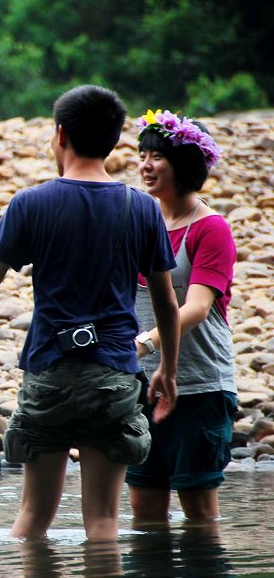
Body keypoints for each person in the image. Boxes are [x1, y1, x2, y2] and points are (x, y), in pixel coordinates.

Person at [0, 85, 182, 540]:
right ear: (116, 140)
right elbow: (166, 302)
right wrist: (168, 371)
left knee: (34, 518)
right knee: (103, 521)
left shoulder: (30, 203)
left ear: (60, 135)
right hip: (114, 371)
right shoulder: (140, 207)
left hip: (49, 371)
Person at [126, 110, 237, 526]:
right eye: (142, 154)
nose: (145, 165)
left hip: (200, 387)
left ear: (186, 164)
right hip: (141, 388)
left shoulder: (211, 229)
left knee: (199, 516)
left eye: (157, 156)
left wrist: (146, 342)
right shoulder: (141, 222)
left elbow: (197, 307)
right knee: (144, 514)